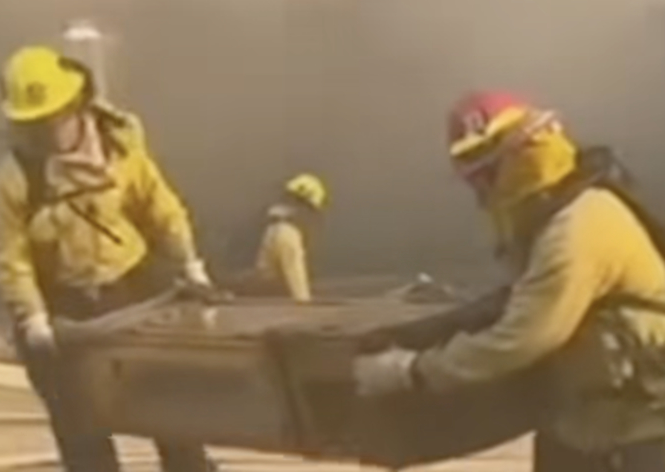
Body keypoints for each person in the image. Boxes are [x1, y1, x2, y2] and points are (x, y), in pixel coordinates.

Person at [353, 91, 665, 471]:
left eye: (486, 174)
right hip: (584, 426)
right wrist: (414, 335)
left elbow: (523, 338)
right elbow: (513, 302)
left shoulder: (577, 227)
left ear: (521, 154)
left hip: (643, 431)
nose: (482, 191)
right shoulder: (549, 222)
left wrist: (412, 371)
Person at [0, 45, 218, 472]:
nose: (43, 133)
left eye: (51, 119)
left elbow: (161, 209)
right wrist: (33, 318)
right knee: (81, 434)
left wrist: (190, 265)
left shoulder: (120, 149)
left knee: (172, 416)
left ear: (76, 107)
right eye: (32, 124)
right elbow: (12, 257)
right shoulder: (14, 177)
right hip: (65, 311)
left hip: (133, 291)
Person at [225, 173, 328, 302]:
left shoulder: (269, 224)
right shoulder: (288, 234)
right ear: (303, 206)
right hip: (272, 305)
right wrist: (305, 306)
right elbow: (296, 280)